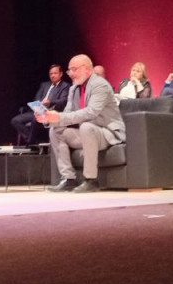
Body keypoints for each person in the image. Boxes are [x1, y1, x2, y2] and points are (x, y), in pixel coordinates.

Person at [38, 54, 125, 193]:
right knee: (55, 131)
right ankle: (68, 179)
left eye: (74, 69)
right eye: (69, 70)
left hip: (106, 132)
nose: (71, 74)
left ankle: (91, 180)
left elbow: (91, 112)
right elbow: (67, 114)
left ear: (87, 69)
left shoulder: (100, 85)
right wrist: (49, 119)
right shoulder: (74, 89)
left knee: (86, 126)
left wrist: (59, 117)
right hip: (87, 132)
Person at [10, 64, 71, 145]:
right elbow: (36, 98)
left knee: (36, 119)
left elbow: (63, 101)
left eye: (55, 73)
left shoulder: (65, 86)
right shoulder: (44, 85)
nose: (52, 76)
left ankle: (30, 142)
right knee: (15, 120)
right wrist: (38, 105)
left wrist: (50, 102)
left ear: (61, 74)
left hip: (51, 113)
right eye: (51, 74)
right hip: (39, 110)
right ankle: (33, 141)